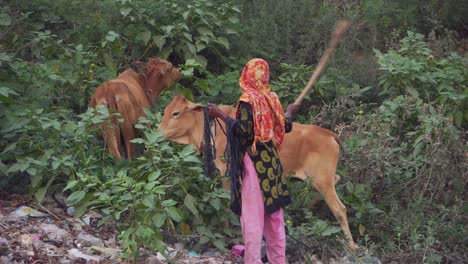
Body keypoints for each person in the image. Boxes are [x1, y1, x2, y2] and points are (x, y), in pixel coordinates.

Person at [207, 58, 298, 264]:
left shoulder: (249, 101)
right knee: (275, 218)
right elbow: (285, 125)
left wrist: (220, 114)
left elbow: (244, 133)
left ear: (248, 73)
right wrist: (290, 111)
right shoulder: (271, 98)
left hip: (255, 165)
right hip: (272, 166)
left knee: (253, 220)